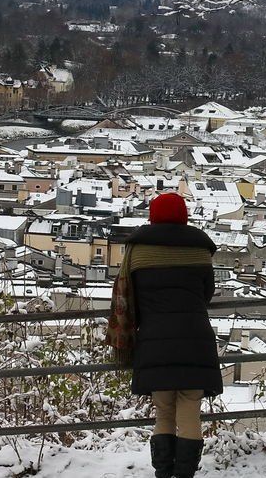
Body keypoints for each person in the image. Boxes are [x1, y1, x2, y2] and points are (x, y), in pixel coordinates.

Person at [107, 193, 221, 478]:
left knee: (164, 410)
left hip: (154, 340)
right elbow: (206, 293)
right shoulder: (200, 250)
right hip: (196, 339)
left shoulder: (137, 252)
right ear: (184, 215)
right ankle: (184, 474)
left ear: (152, 216)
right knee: (190, 409)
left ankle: (163, 473)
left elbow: (130, 296)